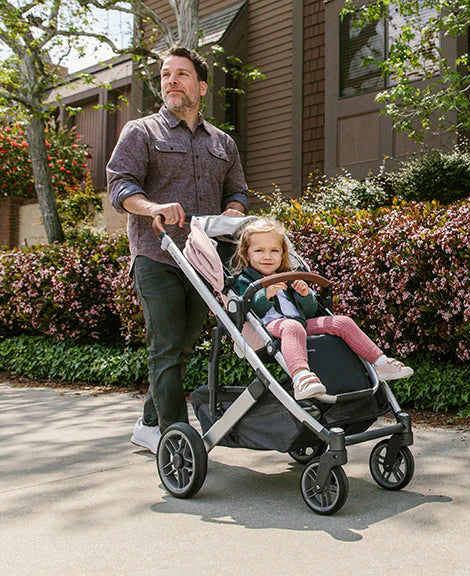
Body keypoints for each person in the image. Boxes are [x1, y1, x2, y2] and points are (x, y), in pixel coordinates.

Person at [107, 45, 249, 454]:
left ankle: (149, 423)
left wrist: (234, 209)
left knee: (184, 346)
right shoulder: (141, 132)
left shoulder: (222, 143)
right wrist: (154, 208)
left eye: (181, 74)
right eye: (166, 74)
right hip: (157, 255)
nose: (171, 80)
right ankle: (175, 439)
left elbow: (237, 189)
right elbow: (120, 186)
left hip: (204, 259)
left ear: (201, 87)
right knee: (166, 345)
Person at [231, 217, 413, 399]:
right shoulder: (245, 280)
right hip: (267, 328)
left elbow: (310, 311)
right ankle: (301, 377)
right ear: (247, 254)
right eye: (259, 251)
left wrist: (305, 296)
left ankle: (381, 363)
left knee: (342, 322)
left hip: (299, 323)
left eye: (274, 250)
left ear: (282, 254)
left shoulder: (288, 276)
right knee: (291, 326)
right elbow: (250, 309)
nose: (268, 256)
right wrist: (266, 295)